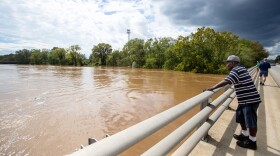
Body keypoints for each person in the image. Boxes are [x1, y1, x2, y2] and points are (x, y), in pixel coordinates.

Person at [205, 55, 261, 150]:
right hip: (244, 99)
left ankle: (252, 142)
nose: (226, 64)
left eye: (228, 62)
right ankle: (245, 135)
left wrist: (212, 88)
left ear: (233, 63)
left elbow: (227, 81)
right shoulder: (241, 69)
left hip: (249, 99)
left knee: (251, 122)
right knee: (240, 117)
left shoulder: (236, 69)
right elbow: (231, 80)